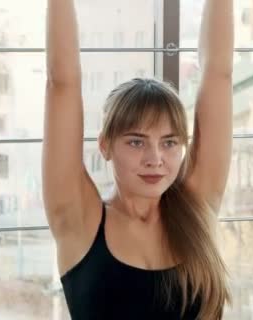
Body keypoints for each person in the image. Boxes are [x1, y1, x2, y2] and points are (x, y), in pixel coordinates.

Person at [42, 0, 234, 318]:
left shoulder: (196, 208)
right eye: (136, 142)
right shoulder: (79, 219)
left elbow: (219, 74)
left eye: (169, 142)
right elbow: (61, 82)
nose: (155, 159)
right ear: (105, 146)